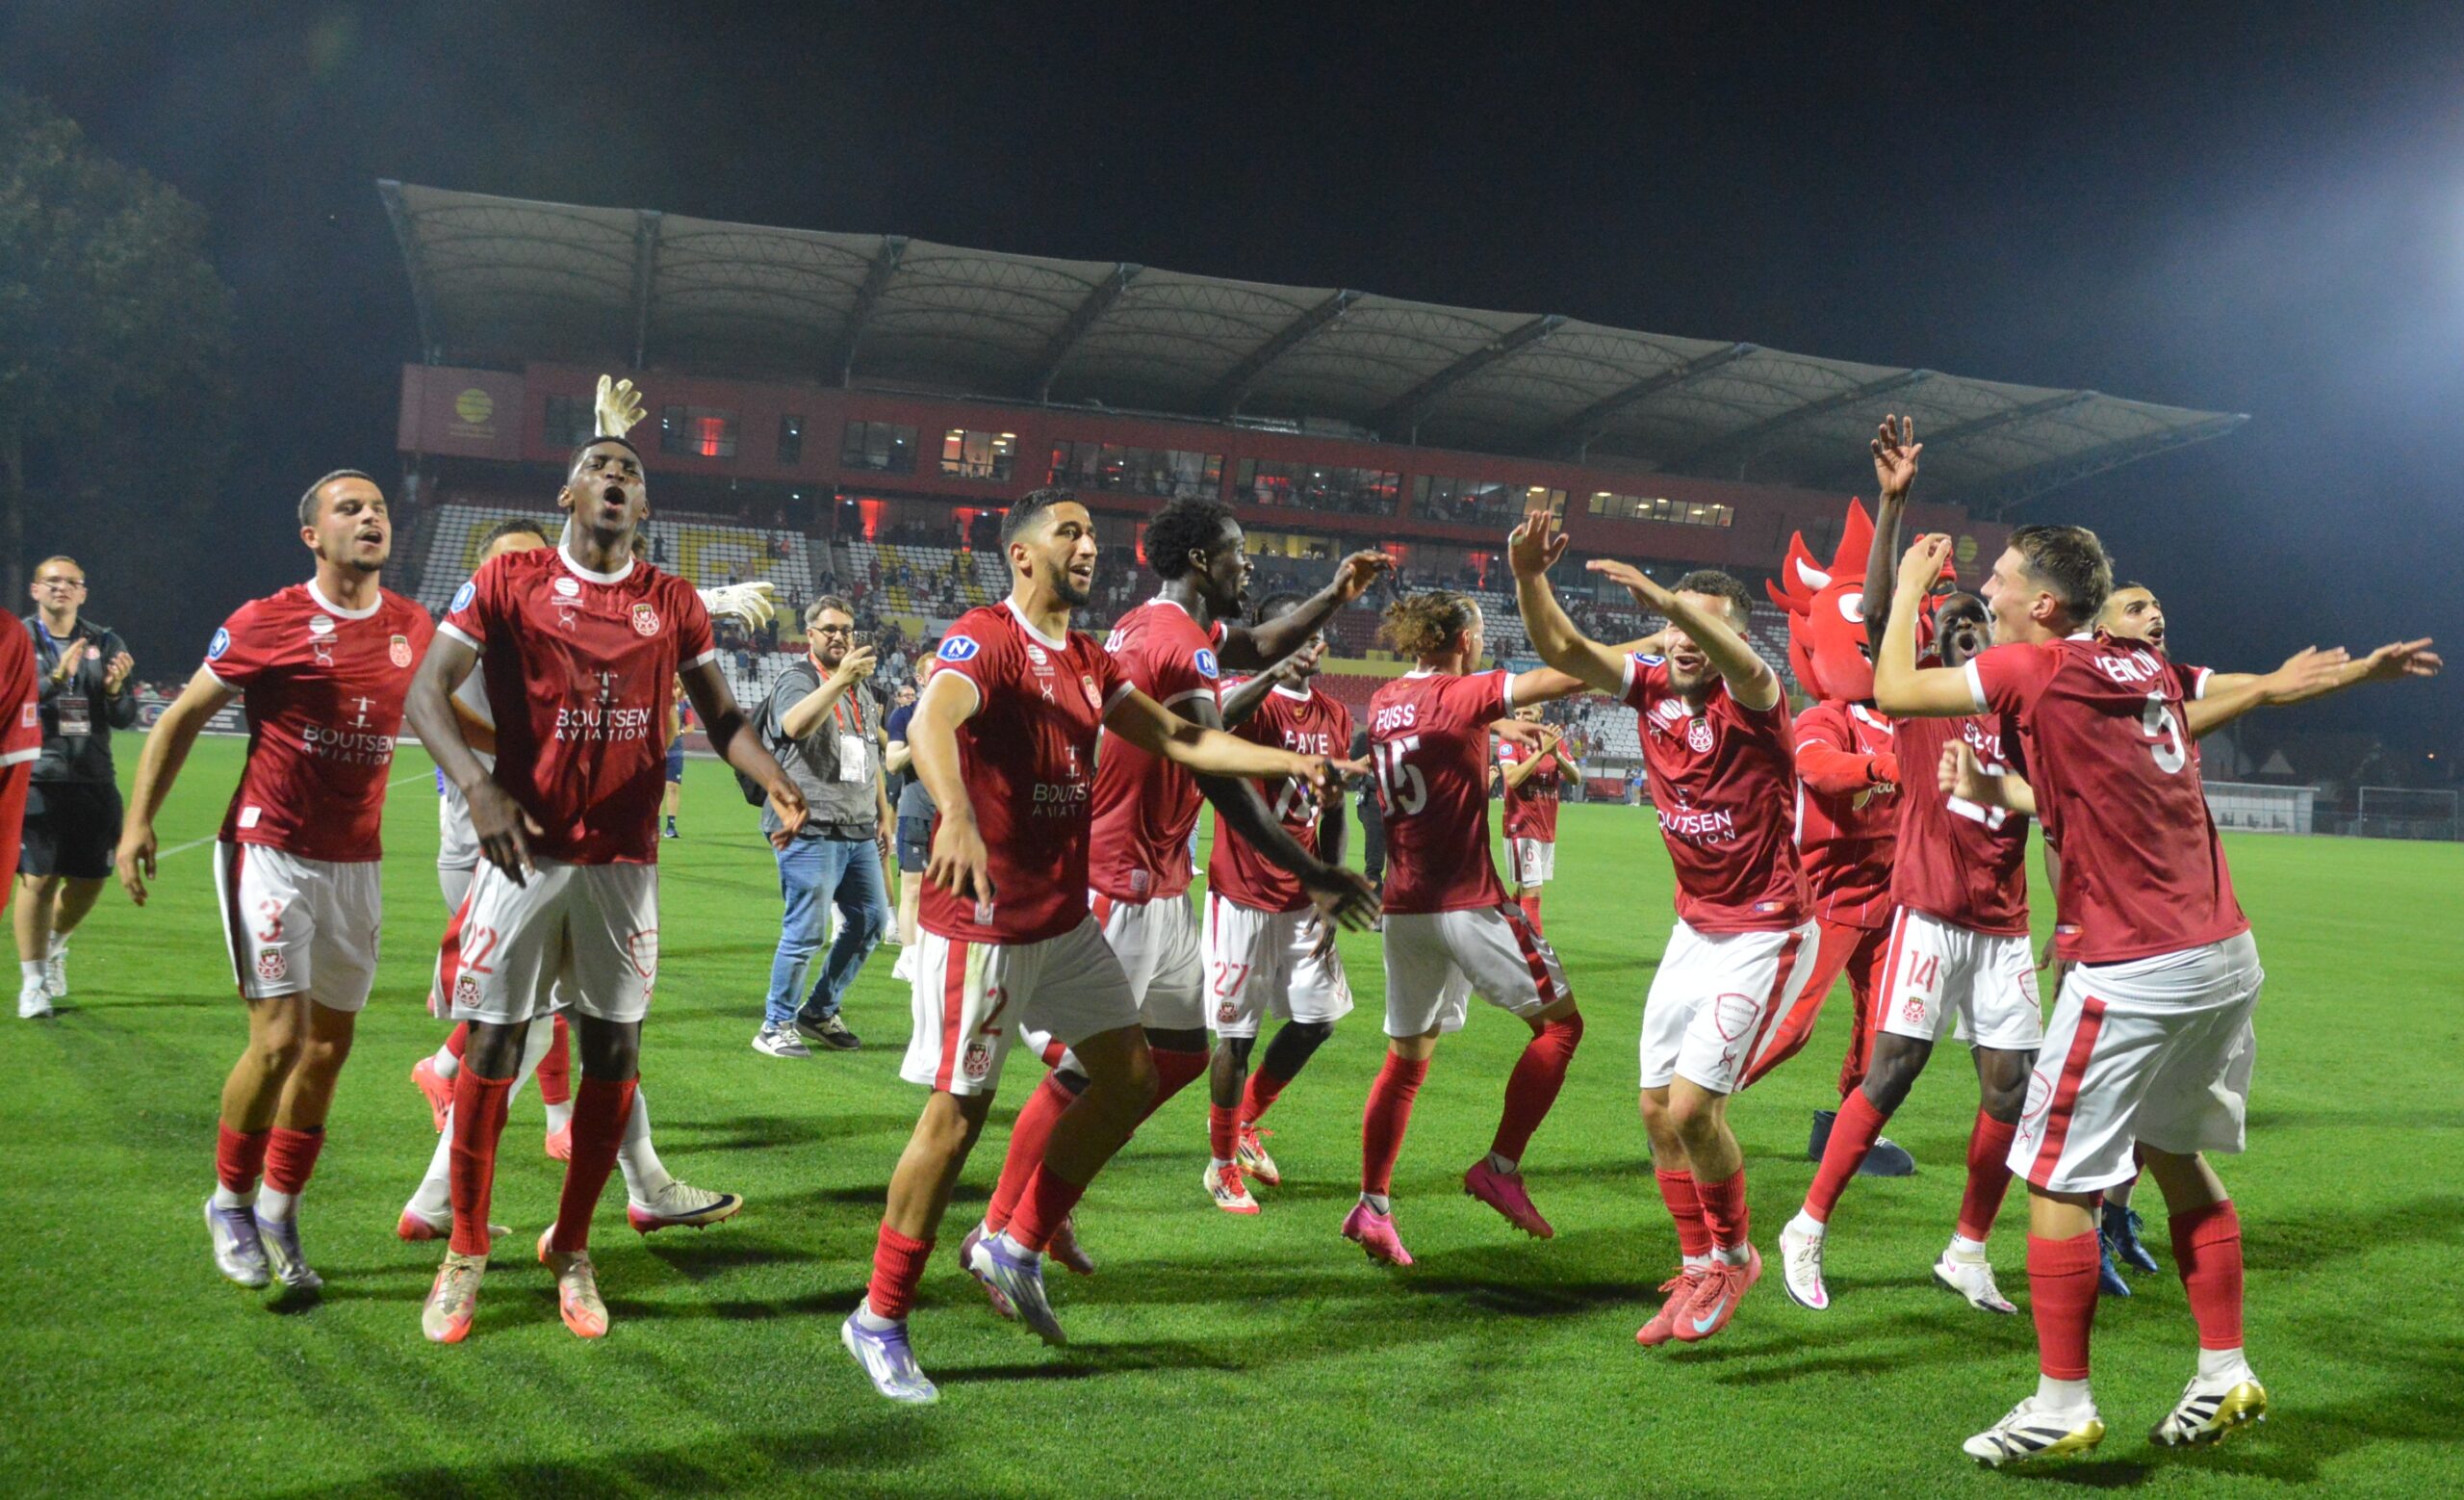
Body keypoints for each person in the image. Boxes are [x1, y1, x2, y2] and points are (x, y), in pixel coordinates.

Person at [1874, 524, 2434, 1463]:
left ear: (2041, 604)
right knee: (2174, 1153)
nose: (1985, 588)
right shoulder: (2141, 668)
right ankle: (2223, 1372)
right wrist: (2350, 675)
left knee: (2055, 1178)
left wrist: (1905, 587)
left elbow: (1892, 688)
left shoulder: (2033, 667)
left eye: (1998, 578)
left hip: (2136, 963)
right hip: (2223, 951)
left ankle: (2060, 1402)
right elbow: (2242, 695)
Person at [841, 489, 1356, 1405]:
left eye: (1090, 532)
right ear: (1022, 555)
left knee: (1133, 1074)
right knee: (955, 1122)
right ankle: (879, 1317)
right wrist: (955, 813)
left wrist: (1292, 761)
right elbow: (928, 720)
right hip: (988, 923)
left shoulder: (1088, 658)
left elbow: (1183, 737)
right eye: (1067, 531)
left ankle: (1017, 1241)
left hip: (1064, 920)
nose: (1087, 544)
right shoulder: (987, 636)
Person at [407, 434, 807, 1344]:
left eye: (631, 471)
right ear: (569, 493)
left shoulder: (671, 601)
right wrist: (478, 788)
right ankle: (464, 1250)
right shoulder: (509, 583)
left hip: (624, 862)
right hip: (524, 853)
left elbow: (723, 716)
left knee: (615, 1055)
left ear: (645, 507)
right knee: (494, 1045)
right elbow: (426, 692)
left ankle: (573, 1246)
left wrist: (771, 777)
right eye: (600, 465)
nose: (617, 478)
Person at [1005, 497, 1381, 1221]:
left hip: (1162, 877)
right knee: (1089, 1072)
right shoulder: (1174, 642)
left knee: (1177, 1057)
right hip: (1122, 874)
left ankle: (1045, 1206)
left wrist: (1335, 595)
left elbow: (1263, 644)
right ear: (1203, 560)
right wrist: (1313, 871)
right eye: (1238, 550)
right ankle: (1008, 1227)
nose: (1249, 564)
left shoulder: (1178, 628)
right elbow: (1215, 772)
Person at [116, 471, 433, 1294]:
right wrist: (138, 821)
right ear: (312, 536)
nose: (370, 518)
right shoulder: (269, 620)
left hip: (356, 860)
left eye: (378, 508)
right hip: (269, 849)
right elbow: (181, 717)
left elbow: (455, 713)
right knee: (280, 1040)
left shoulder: (412, 626)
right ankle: (228, 1201)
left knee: (329, 1047)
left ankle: (279, 1213)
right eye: (349, 509)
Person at [1510, 505, 1814, 1346]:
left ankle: (1736, 1258)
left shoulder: (1757, 701)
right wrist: (1529, 576)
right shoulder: (1648, 686)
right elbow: (1564, 649)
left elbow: (1744, 665)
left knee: (1691, 1110)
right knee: (1652, 1110)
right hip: (1695, 929)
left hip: (1765, 928)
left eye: (1699, 630)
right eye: (1673, 629)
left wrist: (1672, 603)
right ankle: (1696, 1261)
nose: (1681, 641)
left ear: (1731, 641)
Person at [399, 516, 744, 1248]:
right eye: (516, 563)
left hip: (551, 851)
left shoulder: (546, 614)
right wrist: (533, 741)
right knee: (525, 1034)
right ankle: (450, 1184)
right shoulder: (493, 619)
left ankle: (632, 1182)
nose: (539, 575)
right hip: (503, 853)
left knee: (586, 1031)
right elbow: (438, 698)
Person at [1775, 418, 2041, 1316]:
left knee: (2010, 1088)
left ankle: (1968, 1249)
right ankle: (1808, 1225)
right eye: (1952, 620)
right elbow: (1884, 606)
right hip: (1927, 914)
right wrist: (1893, 506)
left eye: (1977, 619)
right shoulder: (1920, 698)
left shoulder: (2021, 702)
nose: (1966, 628)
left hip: (2004, 925)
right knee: (1890, 1072)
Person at [1343, 588, 1592, 1268]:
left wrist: (1495, 727)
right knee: (1561, 1028)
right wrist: (1652, 650)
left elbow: (1441, 731)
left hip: (1405, 908)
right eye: (1479, 635)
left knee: (1405, 1062)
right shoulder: (1463, 693)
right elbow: (1570, 674)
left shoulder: (1385, 699)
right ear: (1463, 640)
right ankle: (1500, 1168)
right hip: (1467, 902)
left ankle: (1372, 1204)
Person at [1744, 499, 1916, 1176]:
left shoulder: (1911, 719)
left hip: (1893, 898)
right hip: (1827, 896)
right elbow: (1813, 767)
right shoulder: (1828, 715)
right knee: (1791, 1022)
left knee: (1884, 1028)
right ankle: (1696, 1105)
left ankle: (1849, 1132)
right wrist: (1881, 768)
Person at [1202, 599, 1354, 1203]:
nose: (1309, 642)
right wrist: (1271, 672)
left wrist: (1331, 883)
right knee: (1235, 1036)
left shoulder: (1336, 715)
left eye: (1315, 634)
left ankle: (1243, 1123)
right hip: (1242, 893)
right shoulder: (1250, 700)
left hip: (1301, 897)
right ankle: (1220, 1164)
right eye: (1297, 632)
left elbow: (1334, 810)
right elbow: (1213, 723)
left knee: (1319, 1020)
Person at [754, 597, 893, 1057]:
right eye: (829, 629)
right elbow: (794, 726)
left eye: (846, 630)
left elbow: (868, 752)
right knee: (806, 931)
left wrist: (883, 813)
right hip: (809, 825)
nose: (839, 637)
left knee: (871, 921)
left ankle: (818, 1010)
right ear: (810, 634)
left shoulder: (861, 688)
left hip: (857, 825)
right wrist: (840, 680)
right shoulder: (798, 678)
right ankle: (775, 1025)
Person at [14, 556, 137, 1017]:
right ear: (35, 590)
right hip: (37, 776)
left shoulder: (106, 642)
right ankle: (33, 983)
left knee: (90, 879)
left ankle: (54, 944)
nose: (60, 588)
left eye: (71, 582)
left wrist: (114, 691)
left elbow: (124, 717)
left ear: (83, 593)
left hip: (93, 777)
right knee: (39, 879)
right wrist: (56, 679)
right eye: (51, 581)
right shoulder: (16, 641)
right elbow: (10, 702)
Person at [1494, 705, 1579, 934]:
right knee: (1533, 893)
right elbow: (1512, 779)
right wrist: (1541, 753)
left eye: (1527, 713)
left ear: (1539, 713)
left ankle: (1502, 922)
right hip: (1521, 825)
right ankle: (1536, 951)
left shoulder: (1552, 740)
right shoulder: (1510, 740)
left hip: (1546, 826)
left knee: (1526, 888)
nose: (1521, 718)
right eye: (1518, 714)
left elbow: (1576, 778)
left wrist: (1556, 755)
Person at [885, 656, 936, 985]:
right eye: (934, 672)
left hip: (953, 816)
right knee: (913, 889)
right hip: (916, 810)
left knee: (949, 891)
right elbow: (892, 763)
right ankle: (909, 957)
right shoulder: (904, 715)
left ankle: (937, 954)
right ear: (919, 679)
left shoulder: (960, 712)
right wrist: (920, 740)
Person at [662, 691, 690, 839]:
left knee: (673, 787)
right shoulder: (658, 700)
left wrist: (680, 731)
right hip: (658, 750)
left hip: (675, 751)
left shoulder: (684, 705)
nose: (675, 690)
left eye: (678, 687)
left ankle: (671, 826)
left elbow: (691, 726)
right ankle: (654, 825)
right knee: (657, 789)